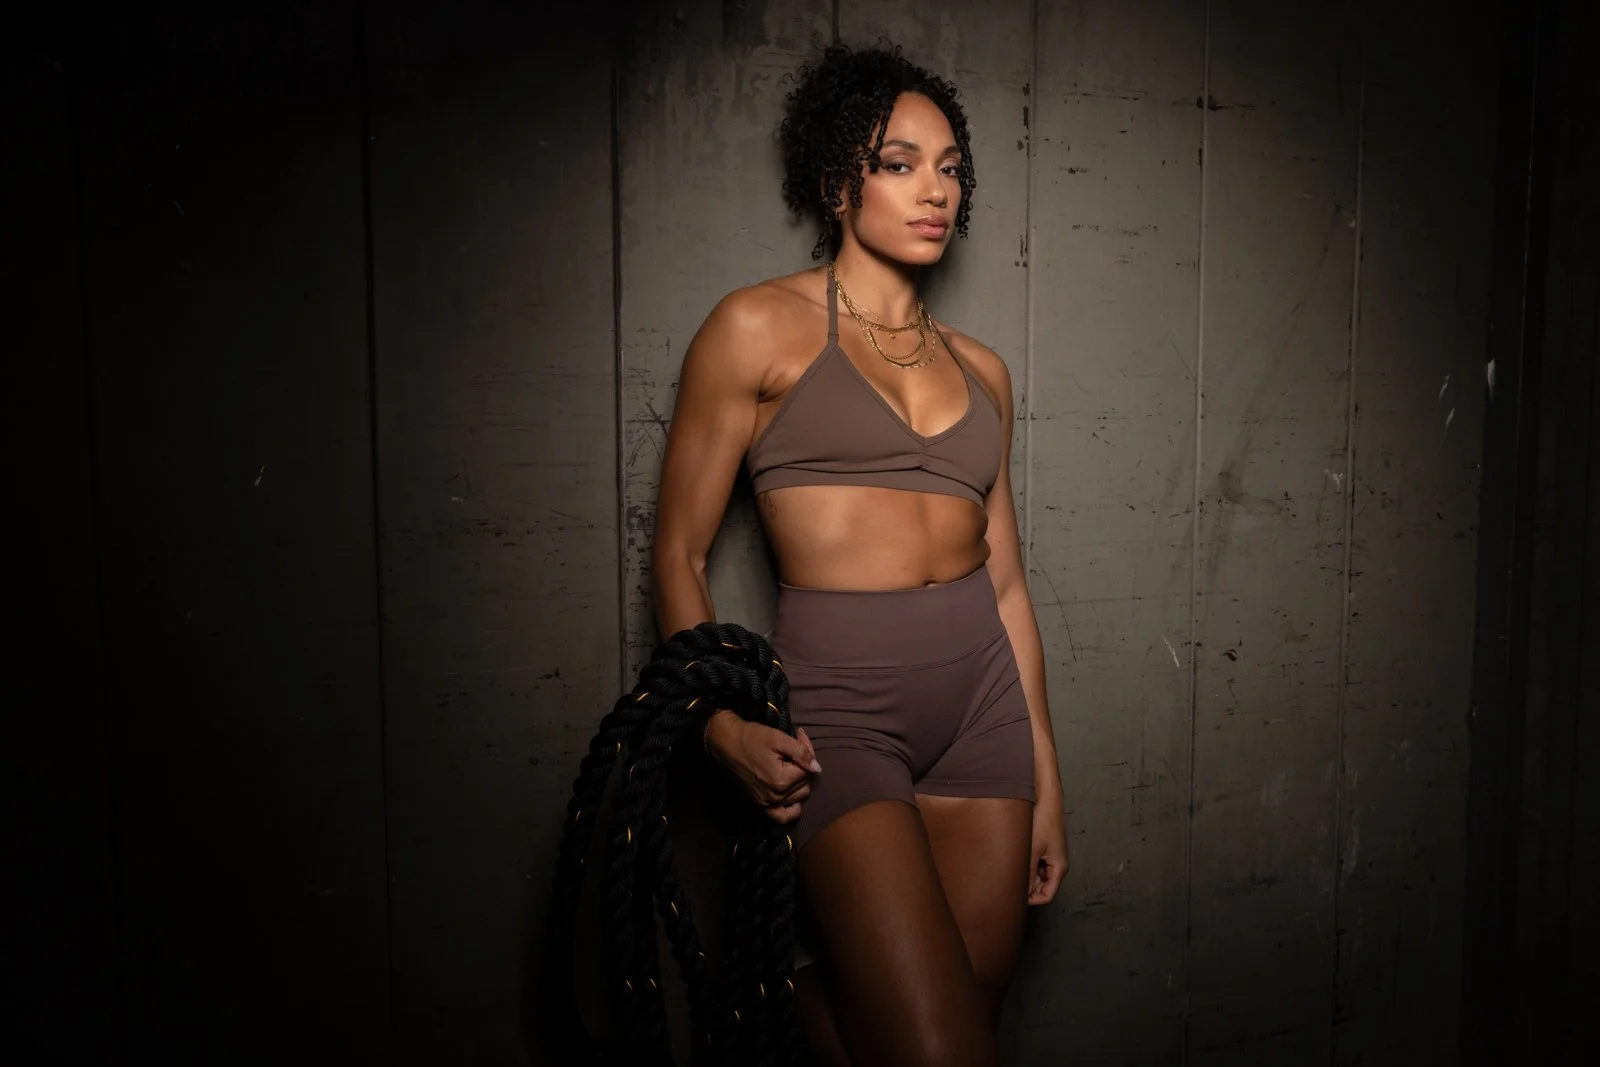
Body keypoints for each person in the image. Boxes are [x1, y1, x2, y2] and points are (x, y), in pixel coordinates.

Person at [650, 43, 1068, 1067]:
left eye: (952, 167)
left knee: (972, 1007)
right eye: (900, 161)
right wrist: (715, 725)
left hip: (982, 711)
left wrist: (1046, 773)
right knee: (938, 1049)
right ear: (839, 180)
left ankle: (797, 1008)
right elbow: (679, 550)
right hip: (843, 712)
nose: (936, 188)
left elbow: (1006, 583)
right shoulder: (756, 328)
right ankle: (784, 998)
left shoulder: (983, 372)